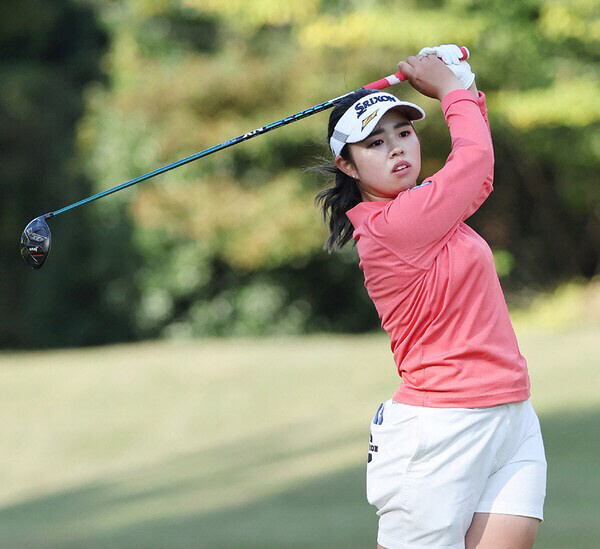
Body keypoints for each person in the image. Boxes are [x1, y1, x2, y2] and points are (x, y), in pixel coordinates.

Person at [316, 45, 547, 549]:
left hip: (509, 412)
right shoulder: (390, 227)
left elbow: (477, 174)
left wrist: (466, 90)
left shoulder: (428, 212)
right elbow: (474, 163)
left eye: (403, 132)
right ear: (348, 167)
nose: (397, 148)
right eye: (375, 143)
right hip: (440, 429)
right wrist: (452, 92)